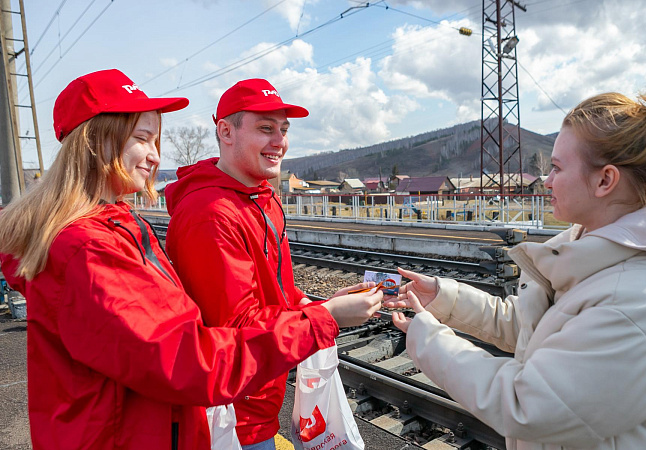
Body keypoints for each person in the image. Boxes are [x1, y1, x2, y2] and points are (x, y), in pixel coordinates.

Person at [0, 69, 382, 450]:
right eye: (142, 139)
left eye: (155, 140)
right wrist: (323, 319)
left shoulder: (118, 222)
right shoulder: (90, 247)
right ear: (95, 142)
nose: (155, 156)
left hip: (162, 424)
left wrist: (316, 308)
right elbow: (190, 361)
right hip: (152, 428)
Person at [386, 85, 646, 449]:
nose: (548, 181)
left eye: (556, 168)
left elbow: (529, 406)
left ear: (605, 180)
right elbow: (532, 326)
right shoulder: (587, 245)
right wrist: (444, 299)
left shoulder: (638, 299)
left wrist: (428, 340)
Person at [164, 79, 373, 450]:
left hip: (261, 398)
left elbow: (275, 291)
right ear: (225, 132)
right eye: (265, 128)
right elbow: (235, 333)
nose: (280, 141)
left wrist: (315, 304)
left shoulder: (263, 198)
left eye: (284, 129)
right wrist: (328, 317)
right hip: (231, 416)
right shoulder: (210, 214)